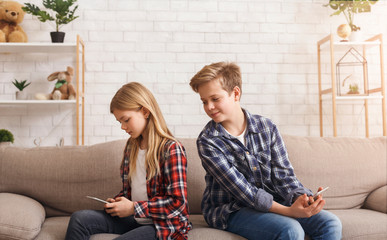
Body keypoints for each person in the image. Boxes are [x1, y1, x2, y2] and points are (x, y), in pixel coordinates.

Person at [189, 62, 342, 240]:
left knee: (330, 223)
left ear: (236, 93)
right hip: (231, 209)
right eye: (204, 101)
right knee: (290, 230)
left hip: (275, 201)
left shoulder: (266, 128)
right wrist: (289, 211)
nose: (209, 107)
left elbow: (284, 176)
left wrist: (302, 198)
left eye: (215, 99)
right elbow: (243, 191)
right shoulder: (208, 141)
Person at [65, 82, 191, 240]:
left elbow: (177, 204)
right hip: (135, 218)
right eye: (120, 122)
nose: (123, 127)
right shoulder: (132, 147)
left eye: (126, 120)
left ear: (145, 111)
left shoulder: (171, 149)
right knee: (79, 219)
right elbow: (131, 192)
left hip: (163, 224)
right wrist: (118, 202)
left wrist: (133, 207)